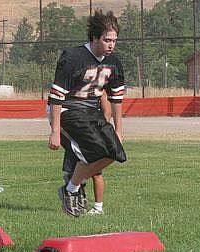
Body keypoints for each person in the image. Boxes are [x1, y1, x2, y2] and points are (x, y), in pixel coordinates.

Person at [48, 9, 126, 217]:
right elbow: (56, 95)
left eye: (114, 40)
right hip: (69, 109)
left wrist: (119, 129)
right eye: (107, 40)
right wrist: (55, 130)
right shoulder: (73, 57)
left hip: (92, 112)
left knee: (115, 152)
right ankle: (72, 189)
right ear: (94, 37)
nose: (111, 45)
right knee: (92, 151)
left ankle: (72, 186)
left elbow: (116, 97)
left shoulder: (114, 62)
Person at [62, 92, 112, 216]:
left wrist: (100, 131)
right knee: (72, 172)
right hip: (77, 130)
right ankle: (76, 204)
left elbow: (107, 111)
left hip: (91, 133)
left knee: (96, 173)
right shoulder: (74, 87)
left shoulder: (99, 88)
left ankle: (98, 207)